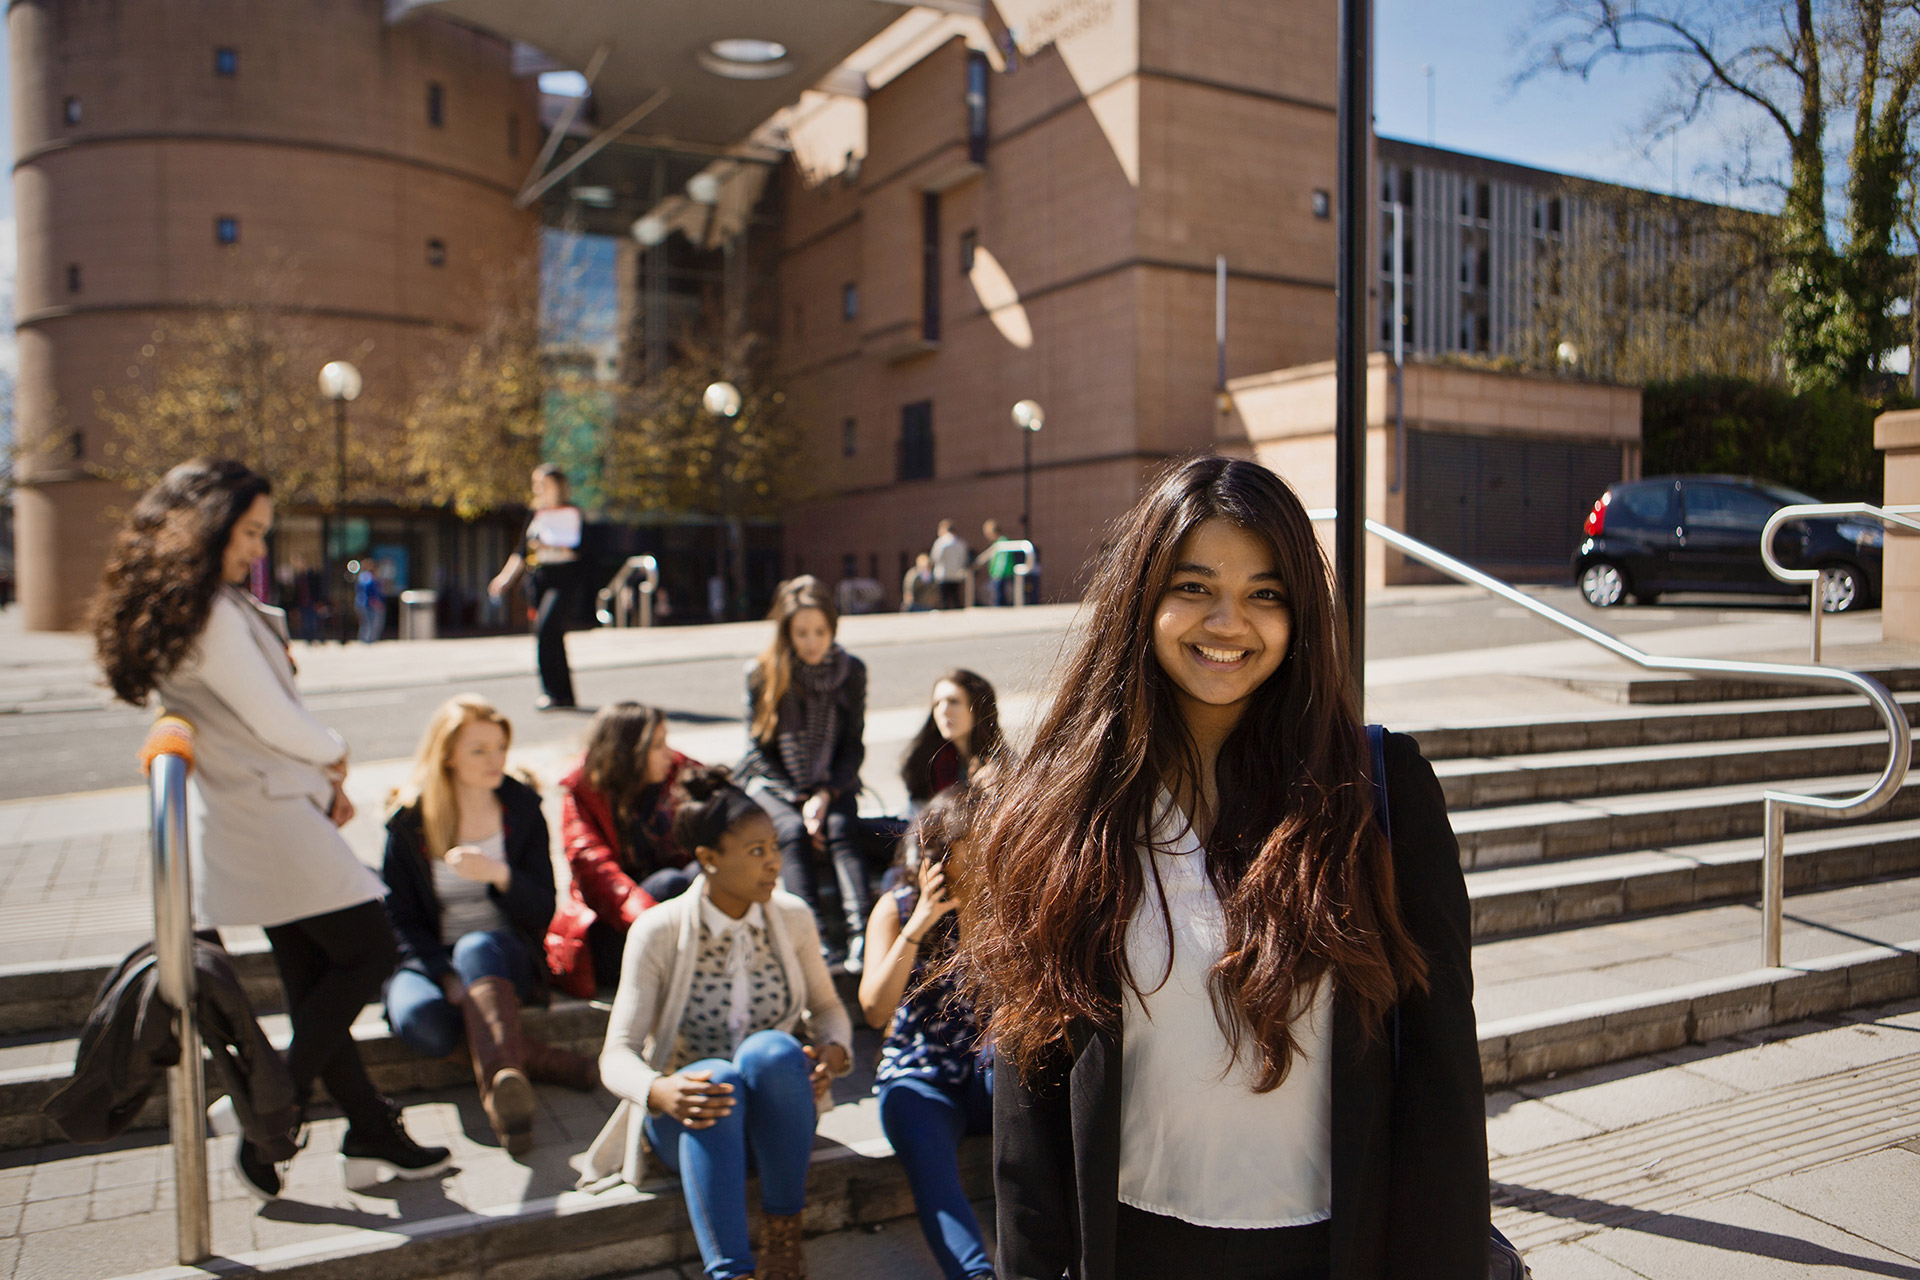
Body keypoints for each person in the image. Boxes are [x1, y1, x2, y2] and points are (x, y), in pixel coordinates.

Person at [958, 456, 1488, 1279]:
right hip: (1133, 1245)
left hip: (1326, 1249)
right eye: (1195, 586)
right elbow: (1030, 1085)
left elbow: (1444, 1075)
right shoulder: (1070, 802)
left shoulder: (1378, 791)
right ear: (1143, 598)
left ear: (1300, 613)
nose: (1228, 622)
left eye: (1265, 593)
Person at [90, 459, 449, 1200]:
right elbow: (273, 719)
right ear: (208, 524)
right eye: (249, 532)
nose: (258, 548)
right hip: (270, 811)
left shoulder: (187, 608)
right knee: (370, 950)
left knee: (315, 978)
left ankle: (365, 1133)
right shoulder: (212, 614)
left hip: (254, 810)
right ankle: (265, 1106)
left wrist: (319, 777)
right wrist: (336, 752)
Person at [582, 765, 854, 1280]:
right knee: (719, 1078)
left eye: (774, 846)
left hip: (778, 1120)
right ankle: (731, 1272)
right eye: (757, 852)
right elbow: (616, 1054)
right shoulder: (657, 931)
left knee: (773, 1052)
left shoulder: (792, 916)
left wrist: (834, 1054)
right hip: (688, 1122)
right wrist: (659, 1090)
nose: (775, 862)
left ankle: (784, 1243)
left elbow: (829, 1012)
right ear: (707, 859)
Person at [380, 695, 599, 1153]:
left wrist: (500, 876)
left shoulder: (520, 809)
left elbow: (542, 910)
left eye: (500, 747)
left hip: (505, 957)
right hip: (432, 961)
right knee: (422, 1022)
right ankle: (542, 1063)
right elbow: (398, 917)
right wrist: (444, 975)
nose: (495, 759)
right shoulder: (409, 821)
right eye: (479, 750)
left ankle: (505, 1108)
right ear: (447, 754)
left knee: (477, 945)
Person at [859, 785, 993, 1280]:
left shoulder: (1007, 902)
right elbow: (874, 1010)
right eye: (975, 845)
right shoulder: (896, 909)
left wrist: (977, 912)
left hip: (991, 1068)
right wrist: (920, 924)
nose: (988, 856)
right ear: (939, 856)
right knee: (923, 1146)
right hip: (921, 1074)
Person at [736, 577, 873, 970]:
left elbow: (853, 744)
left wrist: (825, 794)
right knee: (793, 833)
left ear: (833, 629)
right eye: (801, 633)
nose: (812, 642)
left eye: (820, 632)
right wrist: (800, 798)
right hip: (774, 784)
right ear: (786, 632)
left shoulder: (852, 671)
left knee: (843, 829)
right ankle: (814, 938)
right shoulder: (763, 673)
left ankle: (861, 931)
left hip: (831, 779)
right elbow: (757, 751)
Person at [556, 701, 702, 993]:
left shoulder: (678, 772)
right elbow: (595, 868)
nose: (668, 753)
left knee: (704, 869)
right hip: (618, 927)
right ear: (629, 752)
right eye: (657, 745)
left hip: (673, 919)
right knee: (674, 882)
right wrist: (653, 925)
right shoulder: (583, 791)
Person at [489, 464, 583, 710]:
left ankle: (553, 692)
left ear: (557, 485)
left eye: (543, 483)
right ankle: (562, 694)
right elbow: (521, 550)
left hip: (565, 576)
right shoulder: (536, 513)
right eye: (536, 483)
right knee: (549, 634)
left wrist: (553, 546)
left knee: (547, 627)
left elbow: (583, 550)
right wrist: (504, 578)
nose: (537, 488)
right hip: (541, 577)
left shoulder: (573, 512)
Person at [900, 669, 1004, 813]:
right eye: (937, 703)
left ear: (978, 708)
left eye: (953, 701)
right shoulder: (930, 762)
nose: (943, 711)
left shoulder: (1001, 769)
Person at [973, 519, 1018, 607]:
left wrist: (998, 572)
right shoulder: (998, 542)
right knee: (998, 595)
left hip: (1001, 573)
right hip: (998, 573)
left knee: (999, 596)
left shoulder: (1003, 541)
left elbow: (1002, 559)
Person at [930, 520, 971, 610]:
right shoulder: (961, 543)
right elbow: (964, 559)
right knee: (955, 598)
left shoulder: (941, 542)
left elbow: (935, 557)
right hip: (956, 574)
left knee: (943, 600)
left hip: (943, 574)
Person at [354, 560, 386, 644]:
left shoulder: (363, 577)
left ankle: (365, 639)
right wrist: (375, 602)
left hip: (362, 603)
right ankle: (367, 640)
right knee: (369, 622)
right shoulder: (368, 578)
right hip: (367, 603)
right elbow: (369, 592)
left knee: (366, 622)